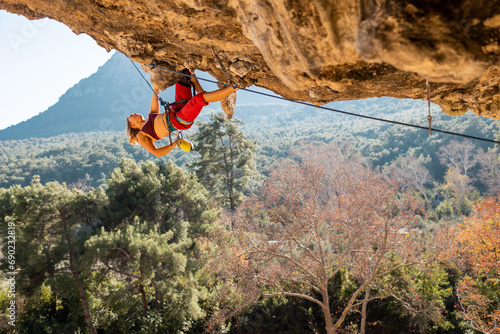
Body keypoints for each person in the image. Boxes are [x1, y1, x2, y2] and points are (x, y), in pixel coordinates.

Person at [126, 69, 237, 157]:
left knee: (183, 76)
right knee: (198, 100)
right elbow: (157, 153)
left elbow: (155, 93)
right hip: (179, 120)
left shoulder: (151, 115)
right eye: (132, 116)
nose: (134, 113)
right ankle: (231, 89)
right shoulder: (141, 135)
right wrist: (174, 144)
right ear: (132, 125)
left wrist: (155, 80)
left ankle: (193, 80)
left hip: (176, 108)